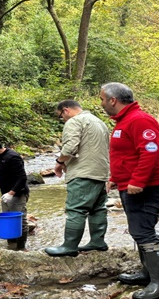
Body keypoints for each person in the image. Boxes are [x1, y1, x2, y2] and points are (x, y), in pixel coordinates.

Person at [99, 82, 159, 299]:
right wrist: (115, 177)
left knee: (144, 232)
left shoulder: (140, 120)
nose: (101, 103)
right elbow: (125, 155)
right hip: (130, 185)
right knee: (138, 231)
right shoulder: (124, 121)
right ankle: (148, 274)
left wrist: (138, 181)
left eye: (102, 99)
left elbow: (151, 151)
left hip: (148, 187)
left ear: (113, 100)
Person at [44, 100, 111, 257]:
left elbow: (70, 147)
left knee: (76, 209)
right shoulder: (99, 122)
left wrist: (59, 163)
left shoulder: (74, 121)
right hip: (101, 172)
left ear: (65, 110)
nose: (63, 119)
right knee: (98, 208)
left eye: (61, 116)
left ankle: (69, 246)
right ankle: (98, 241)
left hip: (82, 172)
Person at [0, 137, 30, 250]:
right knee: (8, 220)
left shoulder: (13, 157)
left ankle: (21, 247)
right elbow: (1, 174)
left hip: (17, 193)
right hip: (5, 194)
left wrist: (11, 193)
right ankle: (11, 245)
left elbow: (22, 178)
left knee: (20, 220)